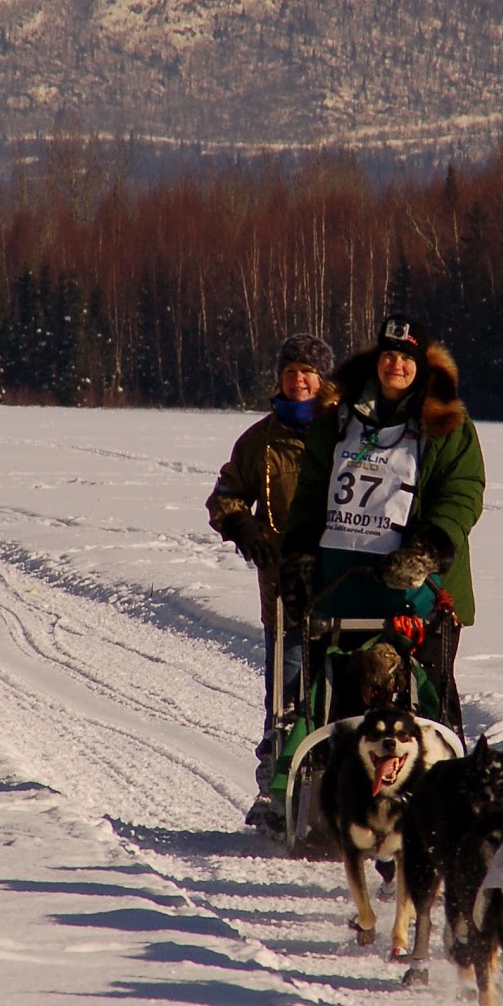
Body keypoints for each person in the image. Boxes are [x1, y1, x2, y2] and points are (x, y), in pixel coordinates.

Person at [280, 313, 485, 737]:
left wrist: (429, 548)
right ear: (376, 360)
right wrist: (299, 552)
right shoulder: (336, 416)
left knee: (430, 714)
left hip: (420, 595)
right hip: (342, 590)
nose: (397, 365)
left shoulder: (448, 425)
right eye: (389, 355)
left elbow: (462, 492)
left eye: (407, 359)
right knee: (337, 710)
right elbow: (312, 491)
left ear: (422, 366)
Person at [206, 331, 335, 827]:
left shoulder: (347, 432)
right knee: (287, 693)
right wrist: (243, 525)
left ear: (323, 381)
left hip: (345, 584)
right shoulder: (260, 440)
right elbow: (226, 496)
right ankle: (276, 789)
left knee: (343, 690)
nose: (298, 380)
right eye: (290, 372)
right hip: (284, 591)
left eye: (307, 372)